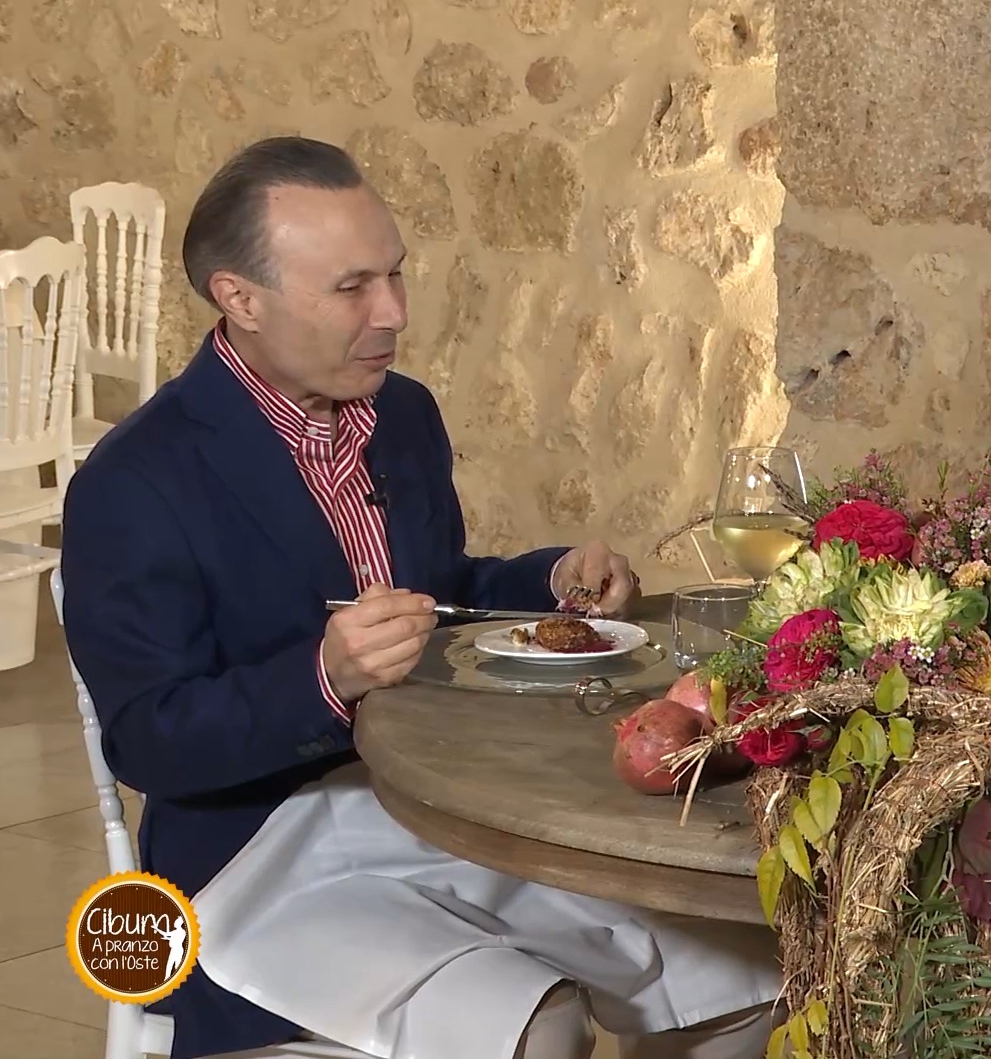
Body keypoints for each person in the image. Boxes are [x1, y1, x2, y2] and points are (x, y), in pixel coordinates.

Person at [60, 137, 780, 1059]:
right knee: (536, 1026)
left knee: (742, 978)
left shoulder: (401, 414)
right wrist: (323, 681)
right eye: (351, 287)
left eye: (395, 274)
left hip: (431, 808)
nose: (393, 312)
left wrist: (548, 580)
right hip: (255, 858)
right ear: (240, 298)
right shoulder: (135, 480)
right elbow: (150, 740)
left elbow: (434, 596)